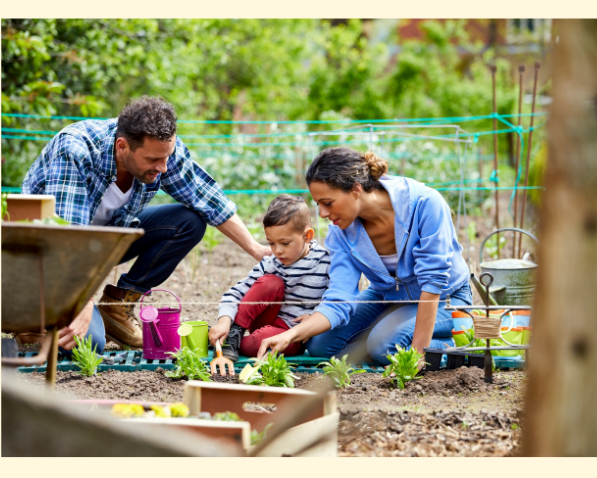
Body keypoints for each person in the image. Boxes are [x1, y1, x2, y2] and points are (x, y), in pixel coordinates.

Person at [21, 96, 271, 355]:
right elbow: (65, 238)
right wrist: (83, 304)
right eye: (153, 160)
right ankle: (30, 317)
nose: (163, 168)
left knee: (188, 222)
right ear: (122, 147)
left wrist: (256, 249)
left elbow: (207, 197)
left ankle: (116, 308)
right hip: (45, 257)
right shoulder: (75, 149)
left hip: (104, 242)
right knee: (88, 343)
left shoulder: (161, 150)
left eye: (167, 157)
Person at [256, 147, 472, 366]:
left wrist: (418, 354)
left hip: (446, 297)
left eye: (327, 203)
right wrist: (291, 335)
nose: (321, 213)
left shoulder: (425, 204)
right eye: (318, 204)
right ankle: (384, 334)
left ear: (356, 190)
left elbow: (432, 282)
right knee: (320, 345)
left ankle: (465, 335)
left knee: (384, 348)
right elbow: (340, 295)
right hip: (388, 297)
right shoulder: (340, 232)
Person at [208, 195, 331, 361]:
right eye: (271, 243)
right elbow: (236, 293)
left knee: (262, 341)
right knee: (270, 282)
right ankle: (232, 334)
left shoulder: (325, 262)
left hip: (292, 335)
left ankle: (226, 341)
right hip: (264, 319)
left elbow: (335, 300)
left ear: (307, 236)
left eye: (285, 243)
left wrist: (315, 316)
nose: (277, 251)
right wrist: (224, 321)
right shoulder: (272, 263)